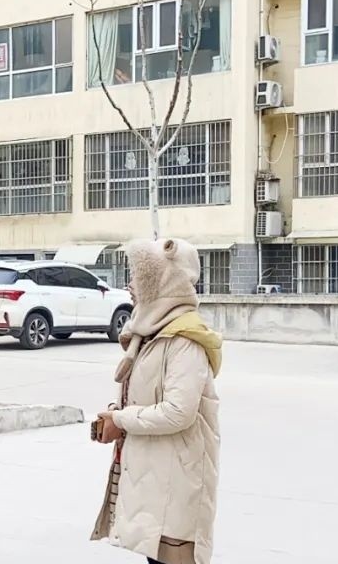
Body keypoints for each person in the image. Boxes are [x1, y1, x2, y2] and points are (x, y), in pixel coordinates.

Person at [90, 237, 222, 564]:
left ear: (164, 282)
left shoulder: (184, 340)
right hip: (155, 476)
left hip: (176, 480)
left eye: (140, 276)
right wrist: (116, 415)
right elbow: (148, 396)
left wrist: (122, 420)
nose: (130, 284)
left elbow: (178, 412)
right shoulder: (150, 335)